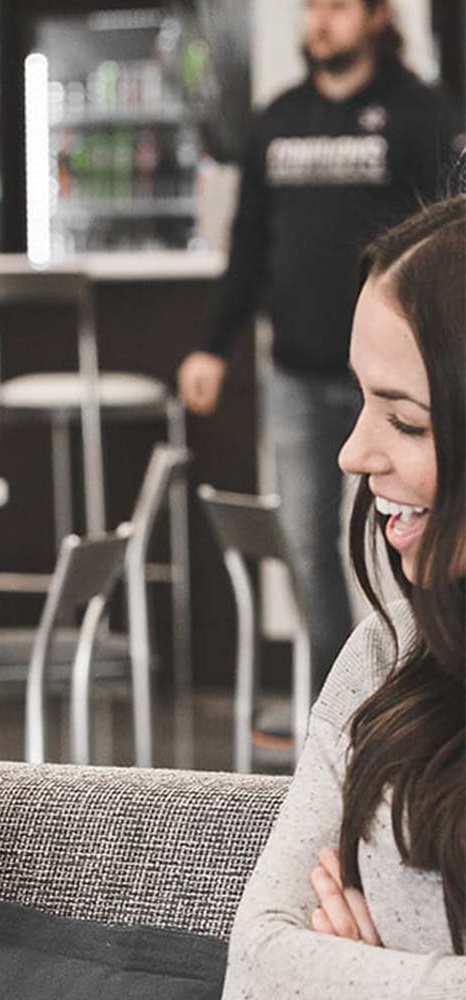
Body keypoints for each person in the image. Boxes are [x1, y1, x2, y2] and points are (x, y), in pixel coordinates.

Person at [177, 0, 462, 712]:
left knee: (381, 544)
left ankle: (413, 697)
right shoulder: (279, 118)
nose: (320, 22)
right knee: (308, 549)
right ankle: (336, 706)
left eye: (336, 7)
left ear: (374, 18)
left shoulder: (418, 112)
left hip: (404, 389)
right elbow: (248, 245)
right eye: (312, 8)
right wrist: (213, 344)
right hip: (296, 374)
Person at [221, 196, 465, 998]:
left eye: (407, 420)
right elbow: (256, 961)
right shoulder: (387, 657)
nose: (355, 453)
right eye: (363, 400)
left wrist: (363, 972)